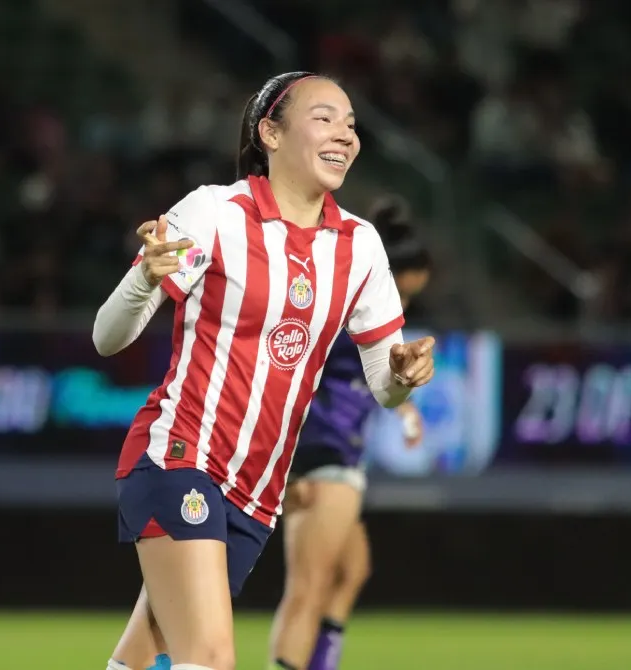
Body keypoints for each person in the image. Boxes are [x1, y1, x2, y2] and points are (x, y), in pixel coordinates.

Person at [93, 71, 437, 670]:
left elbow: (384, 385)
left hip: (257, 491)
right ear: (270, 133)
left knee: (147, 655)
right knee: (209, 657)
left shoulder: (360, 246)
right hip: (181, 454)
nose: (345, 135)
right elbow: (107, 337)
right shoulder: (214, 212)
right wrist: (144, 276)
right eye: (324, 118)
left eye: (351, 124)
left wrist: (404, 375)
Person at [268, 196, 433, 670]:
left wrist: (405, 408)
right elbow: (286, 383)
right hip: (319, 453)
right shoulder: (337, 315)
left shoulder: (370, 326)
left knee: (350, 571)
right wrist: (284, 470)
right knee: (308, 589)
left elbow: (368, 379)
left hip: (342, 453)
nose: (402, 306)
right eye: (400, 293)